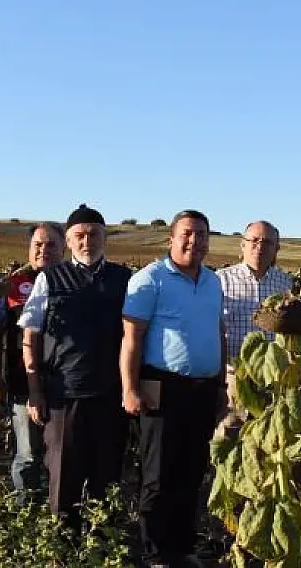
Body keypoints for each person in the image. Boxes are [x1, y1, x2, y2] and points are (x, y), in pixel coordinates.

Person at [120, 210, 226, 568]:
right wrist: (129, 388)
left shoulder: (212, 281)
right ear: (172, 239)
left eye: (201, 234)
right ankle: (155, 552)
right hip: (162, 385)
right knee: (158, 472)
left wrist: (221, 384)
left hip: (204, 388)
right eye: (187, 234)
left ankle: (182, 547)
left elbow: (218, 333)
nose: (194, 241)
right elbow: (131, 340)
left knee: (192, 469)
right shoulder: (149, 280)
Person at [17, 204, 131, 527]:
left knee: (106, 475)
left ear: (104, 238)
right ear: (68, 241)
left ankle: (102, 544)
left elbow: (137, 336)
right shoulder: (50, 279)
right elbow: (31, 337)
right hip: (63, 395)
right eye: (79, 236)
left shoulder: (123, 279)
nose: (87, 241)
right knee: (64, 474)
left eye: (94, 234)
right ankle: (63, 546)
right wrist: (35, 391)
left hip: (110, 395)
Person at [0, 222, 65, 497]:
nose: (44, 250)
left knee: (62, 453)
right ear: (29, 249)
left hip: (65, 383)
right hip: (22, 383)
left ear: (64, 248)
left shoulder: (73, 280)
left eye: (52, 244)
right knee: (27, 452)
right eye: (38, 245)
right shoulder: (10, 284)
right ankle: (26, 511)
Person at [214, 220, 292, 433]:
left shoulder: (285, 283)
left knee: (269, 437)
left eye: (267, 242)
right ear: (243, 244)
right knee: (231, 436)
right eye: (254, 241)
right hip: (234, 377)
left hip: (274, 378)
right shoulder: (220, 281)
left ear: (277, 248)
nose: (260, 247)